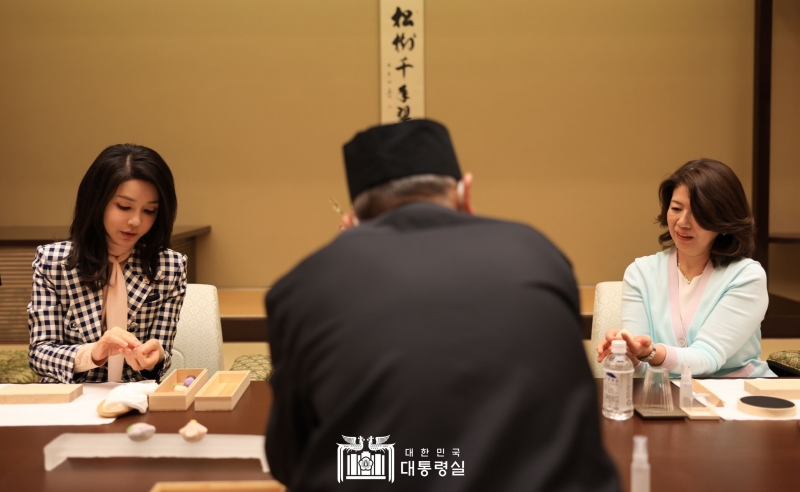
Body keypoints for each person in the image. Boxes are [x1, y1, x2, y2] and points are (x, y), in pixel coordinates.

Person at [265, 120, 620, 492]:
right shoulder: (537, 253)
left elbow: (290, 459)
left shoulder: (304, 286)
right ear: (465, 193)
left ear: (353, 221)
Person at [596, 158, 774, 378]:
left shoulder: (746, 276)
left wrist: (651, 352)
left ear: (723, 221)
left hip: (740, 399)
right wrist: (630, 352)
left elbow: (708, 356)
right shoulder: (640, 273)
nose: (682, 222)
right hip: (667, 401)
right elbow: (644, 368)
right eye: (676, 208)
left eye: (699, 214)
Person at [28, 144, 187, 384]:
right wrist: (92, 353)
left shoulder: (170, 267)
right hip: (68, 402)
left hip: (133, 399)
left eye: (150, 210)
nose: (136, 221)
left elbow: (160, 354)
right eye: (124, 207)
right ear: (96, 201)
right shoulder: (53, 262)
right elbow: (39, 354)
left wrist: (154, 358)